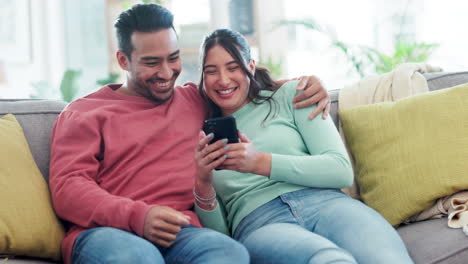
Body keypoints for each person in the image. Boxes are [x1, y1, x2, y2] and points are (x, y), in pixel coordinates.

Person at [49, 4, 331, 264]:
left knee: (229, 253)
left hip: (182, 232)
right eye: (151, 63)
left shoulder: (194, 100)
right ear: (123, 60)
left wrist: (301, 86)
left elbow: (240, 87)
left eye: (173, 58)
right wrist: (139, 216)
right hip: (107, 233)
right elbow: (68, 189)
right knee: (138, 257)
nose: (166, 72)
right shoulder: (84, 113)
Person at [194, 28, 414, 264]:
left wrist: (261, 162)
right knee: (327, 260)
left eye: (233, 66)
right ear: (202, 77)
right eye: (211, 71)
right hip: (261, 223)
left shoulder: (293, 95)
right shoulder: (201, 135)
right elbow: (222, 239)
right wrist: (203, 181)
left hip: (328, 205)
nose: (223, 79)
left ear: (250, 66)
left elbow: (340, 170)